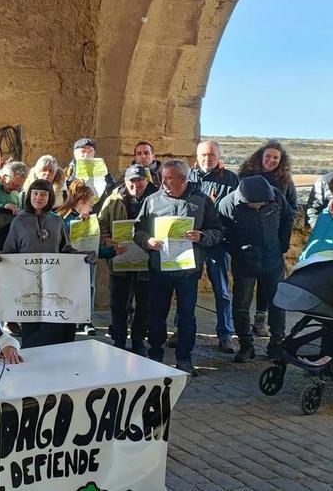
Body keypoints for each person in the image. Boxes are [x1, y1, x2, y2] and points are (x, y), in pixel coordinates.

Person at [134, 160, 224, 376]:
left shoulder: (201, 202)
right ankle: (155, 354)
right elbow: (137, 230)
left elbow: (218, 231)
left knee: (187, 316)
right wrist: (148, 242)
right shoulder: (152, 201)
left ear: (183, 180)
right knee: (156, 314)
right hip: (159, 269)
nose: (163, 182)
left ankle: (184, 358)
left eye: (169, 178)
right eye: (162, 177)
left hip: (188, 272)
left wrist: (201, 236)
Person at [0, 179, 96, 347]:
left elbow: (66, 250)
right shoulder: (18, 222)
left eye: (43, 194)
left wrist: (83, 257)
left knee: (56, 332)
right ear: (29, 195)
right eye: (35, 193)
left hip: (55, 284)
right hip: (26, 285)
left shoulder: (57, 222)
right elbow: (10, 251)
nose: (39, 198)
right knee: (33, 333)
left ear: (50, 197)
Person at [217, 176, 293, 362]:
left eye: (262, 205)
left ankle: (276, 344)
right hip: (244, 262)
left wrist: (282, 244)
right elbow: (221, 230)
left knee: (277, 303)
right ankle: (246, 345)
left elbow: (288, 217)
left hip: (272, 260)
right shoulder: (227, 204)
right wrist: (236, 250)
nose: (258, 207)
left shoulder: (275, 197)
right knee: (241, 305)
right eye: (254, 205)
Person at [237, 141, 298, 337]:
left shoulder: (285, 181)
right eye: (268, 156)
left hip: (272, 242)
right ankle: (244, 337)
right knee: (243, 292)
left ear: (281, 161)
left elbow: (291, 210)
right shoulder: (245, 176)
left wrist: (282, 242)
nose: (271, 160)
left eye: (275, 158)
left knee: (269, 287)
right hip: (247, 244)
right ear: (260, 157)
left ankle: (260, 321)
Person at [98, 164, 158, 355]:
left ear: (146, 180)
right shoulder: (112, 200)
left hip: (146, 263)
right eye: (132, 181)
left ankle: (139, 340)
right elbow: (101, 223)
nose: (136, 185)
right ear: (125, 181)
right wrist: (106, 238)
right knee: (118, 303)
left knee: (145, 303)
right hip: (120, 261)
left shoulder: (156, 199)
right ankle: (119, 338)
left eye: (140, 180)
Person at [187, 140, 238, 353]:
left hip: (218, 241)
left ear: (219, 158)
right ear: (197, 157)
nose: (207, 159)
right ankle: (183, 330)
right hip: (192, 242)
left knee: (222, 290)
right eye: (203, 155)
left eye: (212, 155)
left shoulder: (230, 179)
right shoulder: (188, 177)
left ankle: (225, 334)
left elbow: (237, 210)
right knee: (187, 289)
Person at [56, 180, 108, 336]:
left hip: (86, 263)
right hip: (68, 264)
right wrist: (77, 224)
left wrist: (110, 251)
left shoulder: (89, 220)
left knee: (88, 289)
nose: (91, 208)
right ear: (80, 203)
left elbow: (94, 244)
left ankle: (86, 319)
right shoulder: (62, 217)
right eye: (90, 205)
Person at [64, 138, 115, 211]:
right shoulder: (68, 172)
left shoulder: (103, 172)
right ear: (75, 153)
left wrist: (107, 178)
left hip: (95, 211)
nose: (86, 154)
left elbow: (110, 192)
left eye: (90, 151)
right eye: (83, 151)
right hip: (73, 212)